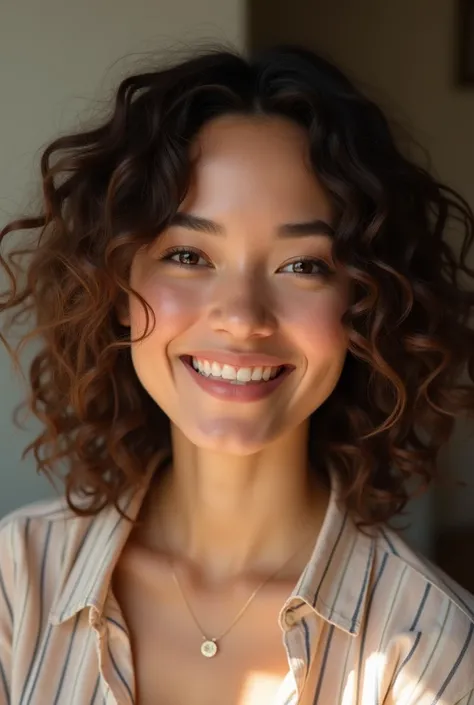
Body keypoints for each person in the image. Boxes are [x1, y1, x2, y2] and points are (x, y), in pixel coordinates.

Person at [0, 43, 473, 705]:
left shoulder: (437, 652)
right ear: (115, 283)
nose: (243, 318)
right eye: (190, 254)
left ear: (365, 306)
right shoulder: (14, 585)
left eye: (303, 264)